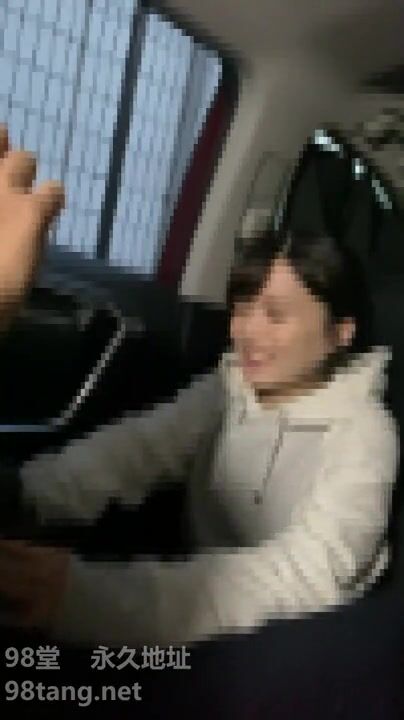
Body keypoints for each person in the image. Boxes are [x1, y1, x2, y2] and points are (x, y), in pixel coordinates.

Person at [0, 136, 398, 648]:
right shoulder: (231, 386)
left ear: (340, 333)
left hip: (300, 642)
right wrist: (28, 495)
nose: (247, 332)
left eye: (275, 315)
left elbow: (310, 575)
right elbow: (139, 449)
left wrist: (85, 598)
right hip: (202, 605)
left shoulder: (365, 433)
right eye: (242, 309)